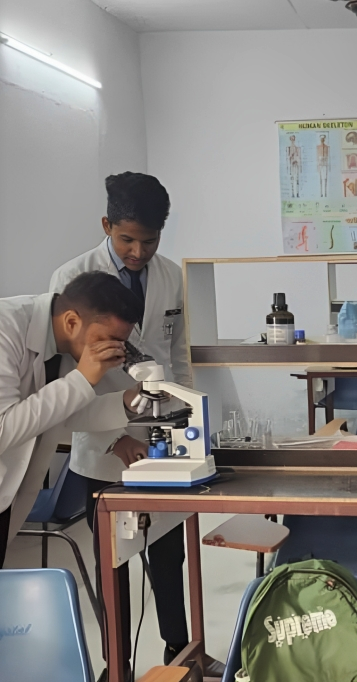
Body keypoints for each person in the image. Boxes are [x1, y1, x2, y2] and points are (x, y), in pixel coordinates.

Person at [49, 172, 203, 674]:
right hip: (102, 442)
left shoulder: (171, 276)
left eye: (150, 241)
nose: (138, 252)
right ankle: (117, 662)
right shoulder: (71, 278)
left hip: (161, 434)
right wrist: (115, 438)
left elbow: (177, 355)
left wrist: (185, 416)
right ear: (106, 225)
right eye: (127, 240)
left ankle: (178, 654)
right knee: (113, 560)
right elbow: (71, 380)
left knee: (169, 556)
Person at [0, 271, 143, 566]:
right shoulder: (5, 329)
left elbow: (64, 411)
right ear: (71, 322)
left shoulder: (63, 342)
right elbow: (4, 430)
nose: (116, 351)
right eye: (109, 339)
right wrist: (82, 379)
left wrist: (127, 402)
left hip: (10, 497)